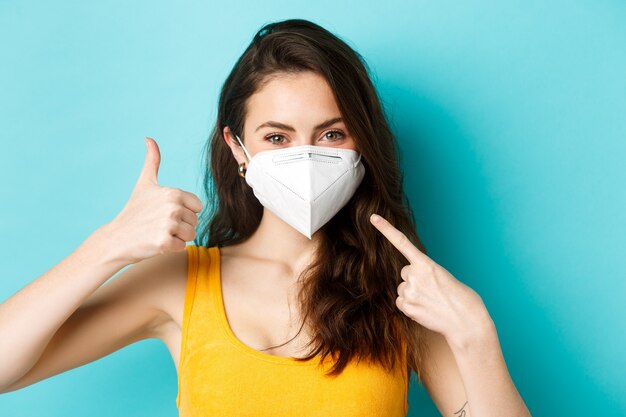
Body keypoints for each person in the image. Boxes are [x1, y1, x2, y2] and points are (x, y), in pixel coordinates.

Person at [0, 18, 531, 417]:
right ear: (238, 148)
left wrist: (475, 335)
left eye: (331, 134)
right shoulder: (182, 283)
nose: (305, 155)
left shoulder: (400, 291)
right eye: (277, 137)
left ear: (362, 144)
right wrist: (109, 246)